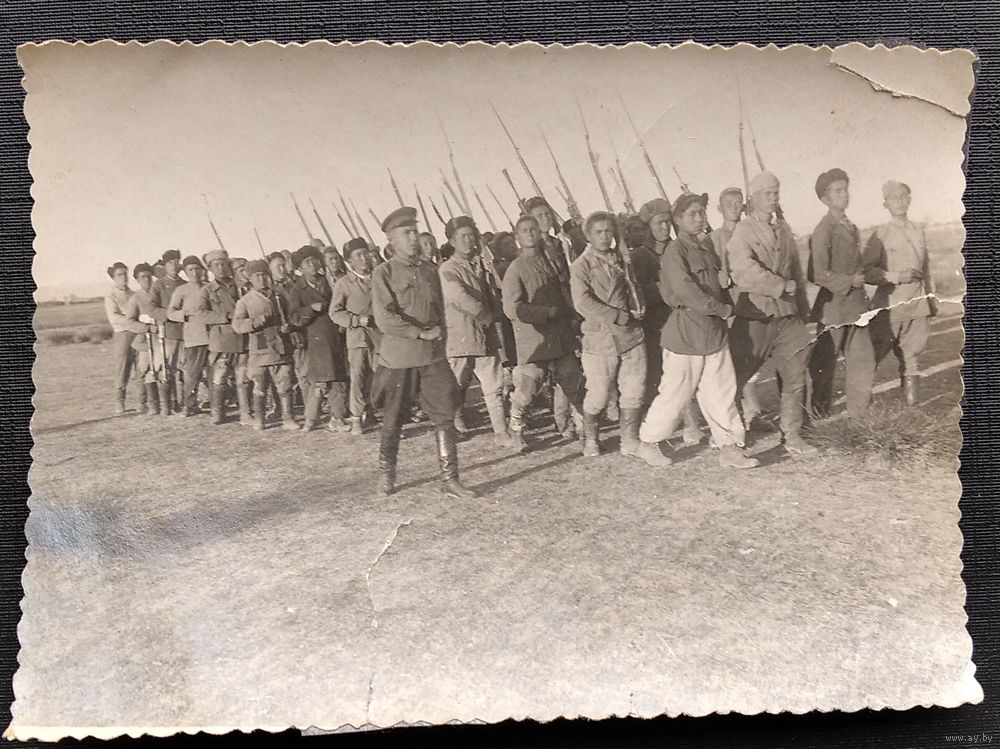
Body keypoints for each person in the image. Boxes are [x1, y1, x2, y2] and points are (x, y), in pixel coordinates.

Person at [638, 193, 760, 469]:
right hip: (686, 334)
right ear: (678, 220)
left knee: (722, 393)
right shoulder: (675, 252)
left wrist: (730, 307)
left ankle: (729, 448)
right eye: (692, 214)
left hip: (713, 333)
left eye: (701, 212)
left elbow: (718, 286)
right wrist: (720, 309)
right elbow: (685, 290)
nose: (699, 218)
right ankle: (648, 442)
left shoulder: (706, 249)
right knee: (675, 394)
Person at [371, 206, 475, 498]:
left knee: (445, 413)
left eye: (415, 232)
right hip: (399, 358)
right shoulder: (383, 273)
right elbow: (384, 318)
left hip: (432, 356)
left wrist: (440, 343)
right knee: (393, 418)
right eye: (406, 233)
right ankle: (387, 475)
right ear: (391, 240)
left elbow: (440, 312)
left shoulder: (430, 270)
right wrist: (419, 333)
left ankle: (449, 479)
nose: (413, 238)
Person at [726, 171, 818, 455]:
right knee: (735, 378)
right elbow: (742, 270)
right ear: (753, 198)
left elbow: (796, 272)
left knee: (795, 374)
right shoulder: (743, 231)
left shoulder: (784, 229)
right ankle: (731, 438)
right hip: (755, 316)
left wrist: (802, 308)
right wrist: (778, 286)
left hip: (787, 316)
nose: (772, 198)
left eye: (776, 193)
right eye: (767, 193)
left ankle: (792, 435)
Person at [570, 212, 671, 465]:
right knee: (599, 394)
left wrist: (638, 307)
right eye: (598, 232)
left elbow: (635, 288)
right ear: (588, 236)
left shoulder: (623, 258)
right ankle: (590, 439)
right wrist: (615, 315)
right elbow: (582, 302)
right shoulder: (581, 265)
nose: (605, 237)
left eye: (608, 231)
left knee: (634, 390)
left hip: (631, 335)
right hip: (601, 339)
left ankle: (629, 440)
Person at [501, 214, 584, 452]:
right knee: (527, 390)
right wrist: (545, 313)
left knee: (573, 382)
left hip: (560, 336)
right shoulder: (516, 269)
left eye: (534, 229)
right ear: (517, 238)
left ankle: (584, 430)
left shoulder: (551, 261)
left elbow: (564, 291)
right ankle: (516, 432)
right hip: (534, 340)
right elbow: (511, 308)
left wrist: (572, 316)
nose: (530, 233)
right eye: (524, 230)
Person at [807, 168, 877, 419]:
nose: (844, 194)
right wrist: (850, 281)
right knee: (825, 362)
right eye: (837, 191)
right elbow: (817, 273)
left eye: (845, 189)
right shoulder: (823, 230)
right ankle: (819, 411)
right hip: (833, 309)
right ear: (824, 198)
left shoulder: (850, 226)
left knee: (862, 359)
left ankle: (859, 415)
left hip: (856, 307)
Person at [439, 215, 514, 447]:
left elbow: (494, 295)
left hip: (485, 337)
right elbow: (459, 297)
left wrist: (500, 311)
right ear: (452, 241)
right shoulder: (448, 269)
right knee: (454, 387)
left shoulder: (482, 265)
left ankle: (501, 433)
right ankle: (450, 428)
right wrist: (487, 315)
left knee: (494, 386)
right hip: (461, 338)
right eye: (463, 237)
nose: (469, 241)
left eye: (471, 236)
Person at [634, 198, 703, 444]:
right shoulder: (640, 256)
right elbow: (640, 292)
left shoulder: (679, 248)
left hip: (683, 318)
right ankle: (662, 428)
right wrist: (670, 287)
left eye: (667, 222)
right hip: (657, 323)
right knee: (664, 376)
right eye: (659, 223)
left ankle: (691, 424)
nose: (664, 227)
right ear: (649, 226)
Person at [863, 180, 934, 406]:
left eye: (904, 196)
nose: (900, 201)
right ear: (885, 204)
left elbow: (927, 269)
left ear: (909, 199)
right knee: (872, 356)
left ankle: (911, 410)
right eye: (894, 198)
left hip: (918, 305)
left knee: (912, 357)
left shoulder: (919, 230)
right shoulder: (880, 234)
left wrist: (932, 300)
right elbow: (866, 272)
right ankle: (862, 409)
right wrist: (896, 276)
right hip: (889, 308)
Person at [286, 245, 351, 432]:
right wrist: (310, 309)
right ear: (300, 269)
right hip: (315, 341)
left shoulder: (330, 282)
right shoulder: (297, 290)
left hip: (335, 337)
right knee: (320, 382)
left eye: (314, 260)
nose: (313, 264)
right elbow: (294, 318)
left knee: (338, 379)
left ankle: (337, 418)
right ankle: (311, 419)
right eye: (307, 263)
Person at [231, 259, 299, 431]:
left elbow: (291, 316)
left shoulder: (279, 297)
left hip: (280, 347)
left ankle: (288, 418)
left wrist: (288, 326)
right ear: (250, 279)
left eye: (264, 275)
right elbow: (237, 325)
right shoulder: (245, 301)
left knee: (285, 384)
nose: (261, 279)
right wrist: (255, 322)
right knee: (259, 386)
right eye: (257, 276)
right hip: (259, 350)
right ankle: (260, 419)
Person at [330, 238, 381, 436]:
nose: (364, 258)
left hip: (380, 338)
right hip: (358, 338)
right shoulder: (344, 284)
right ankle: (357, 418)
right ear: (350, 261)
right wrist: (356, 320)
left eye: (365, 253)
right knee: (358, 378)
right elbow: (335, 313)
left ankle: (377, 414)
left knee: (380, 377)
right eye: (358, 255)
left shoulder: (379, 278)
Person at [198, 250, 250, 425]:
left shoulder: (241, 287)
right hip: (222, 340)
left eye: (223, 264)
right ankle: (217, 412)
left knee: (243, 377)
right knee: (219, 377)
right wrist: (225, 316)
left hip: (243, 338)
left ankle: (245, 413)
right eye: (216, 265)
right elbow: (201, 314)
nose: (221, 268)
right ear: (210, 269)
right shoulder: (207, 290)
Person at [166, 255, 210, 417]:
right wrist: (184, 313)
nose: (194, 272)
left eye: (197, 268)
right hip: (194, 337)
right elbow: (171, 312)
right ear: (185, 271)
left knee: (214, 372)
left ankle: (218, 404)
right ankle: (190, 405)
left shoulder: (210, 287)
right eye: (190, 269)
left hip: (213, 337)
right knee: (192, 374)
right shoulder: (181, 290)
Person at [124, 262, 166, 416]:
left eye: (149, 276)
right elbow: (129, 322)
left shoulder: (160, 294)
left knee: (164, 370)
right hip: (145, 342)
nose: (147, 280)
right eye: (143, 277)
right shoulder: (135, 299)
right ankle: (150, 405)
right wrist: (146, 327)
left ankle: (167, 403)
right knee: (146, 370)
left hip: (162, 339)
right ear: (137, 279)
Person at [148, 249, 187, 414]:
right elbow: (151, 307)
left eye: (176, 262)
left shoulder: (185, 284)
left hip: (185, 332)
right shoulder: (158, 285)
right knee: (166, 368)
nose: (173, 265)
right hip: (168, 332)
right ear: (164, 265)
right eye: (170, 262)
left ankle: (184, 403)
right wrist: (169, 315)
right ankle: (167, 404)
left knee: (184, 367)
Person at [103, 261, 139, 414]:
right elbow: (114, 318)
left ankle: (144, 400)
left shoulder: (134, 294)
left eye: (125, 274)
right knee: (123, 367)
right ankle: (120, 402)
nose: (123, 277)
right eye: (119, 275)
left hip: (138, 333)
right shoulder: (111, 296)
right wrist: (132, 320)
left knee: (141, 366)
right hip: (122, 334)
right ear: (113, 278)